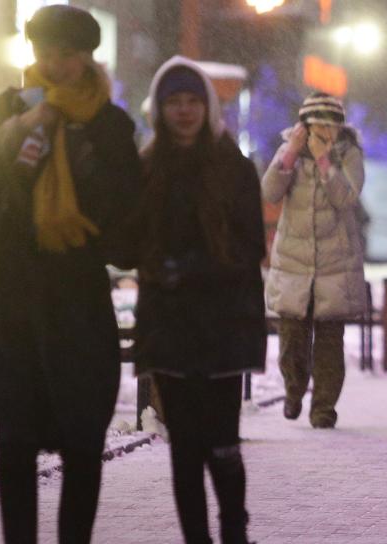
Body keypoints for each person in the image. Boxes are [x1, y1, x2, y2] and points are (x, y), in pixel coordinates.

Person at [0, 5, 141, 542]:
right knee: (14, 440)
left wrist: (86, 164)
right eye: (45, 53)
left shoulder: (110, 122)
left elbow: (126, 216)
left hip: (78, 303)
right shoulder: (7, 108)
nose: (55, 64)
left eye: (67, 53)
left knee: (83, 441)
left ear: (88, 57)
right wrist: (17, 132)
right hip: (13, 300)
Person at [125, 56, 265, 544]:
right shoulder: (144, 169)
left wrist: (192, 270)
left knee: (223, 445)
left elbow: (252, 249)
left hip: (224, 325)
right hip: (169, 328)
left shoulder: (234, 168)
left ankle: (233, 531)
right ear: (159, 109)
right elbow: (128, 242)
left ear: (206, 107)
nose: (183, 111)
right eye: (173, 102)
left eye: (191, 101)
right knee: (184, 451)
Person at [262, 92, 368, 429]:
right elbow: (270, 192)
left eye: (331, 126)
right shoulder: (289, 152)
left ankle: (323, 409)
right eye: (318, 125)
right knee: (291, 340)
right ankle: (294, 391)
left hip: (334, 265)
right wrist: (291, 153)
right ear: (304, 127)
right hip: (294, 264)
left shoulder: (350, 155)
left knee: (328, 345)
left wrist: (326, 164)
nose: (325, 132)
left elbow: (346, 198)